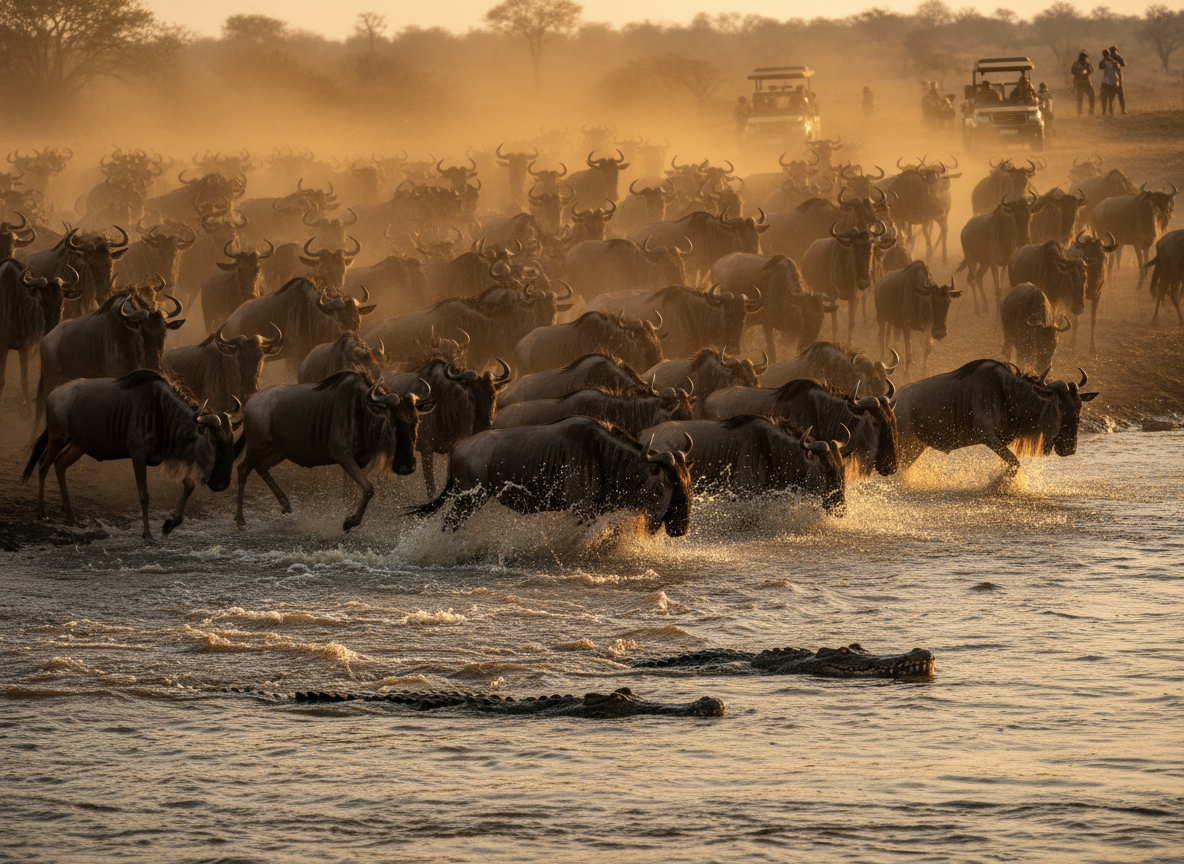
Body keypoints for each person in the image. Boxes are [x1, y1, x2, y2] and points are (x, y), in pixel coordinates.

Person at [1071, 50, 1095, 115]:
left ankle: (1081, 111)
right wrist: (1083, 72)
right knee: (1089, 96)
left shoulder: (1077, 64)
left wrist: (1082, 72)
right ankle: (1089, 111)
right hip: (1084, 82)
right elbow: (1090, 71)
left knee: (1081, 97)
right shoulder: (1086, 64)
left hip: (1081, 82)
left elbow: (1090, 71)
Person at [1099, 50, 1119, 116]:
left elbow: (1100, 67)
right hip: (1111, 81)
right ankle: (1109, 111)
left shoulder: (1111, 62)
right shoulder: (1113, 62)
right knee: (1110, 98)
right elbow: (1100, 67)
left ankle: (1105, 112)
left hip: (1107, 81)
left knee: (1105, 98)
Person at [1109, 45, 1127, 114]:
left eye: (1114, 51)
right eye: (1113, 51)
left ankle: (1123, 110)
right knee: (1112, 96)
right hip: (1112, 79)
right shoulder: (1109, 59)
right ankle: (1111, 110)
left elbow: (1123, 64)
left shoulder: (1118, 57)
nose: (1114, 52)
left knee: (1121, 95)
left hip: (1119, 79)